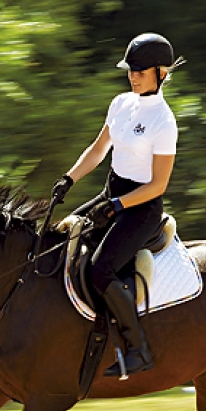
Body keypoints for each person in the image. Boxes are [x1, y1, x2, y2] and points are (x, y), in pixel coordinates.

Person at [51, 32, 182, 378]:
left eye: (140, 70)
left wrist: (117, 206)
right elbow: (98, 150)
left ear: (161, 73)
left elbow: (158, 185)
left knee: (99, 270)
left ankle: (137, 349)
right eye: (131, 70)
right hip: (112, 194)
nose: (133, 76)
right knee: (57, 240)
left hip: (141, 207)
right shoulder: (121, 103)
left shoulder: (164, 122)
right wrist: (69, 179)